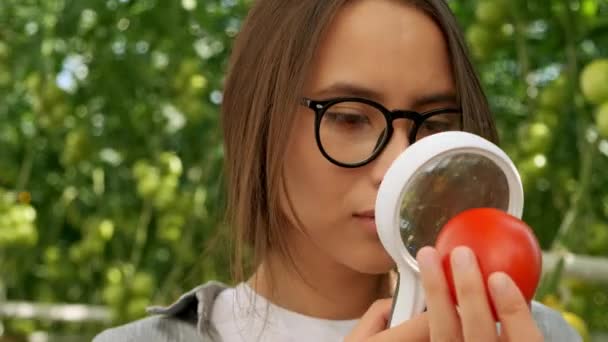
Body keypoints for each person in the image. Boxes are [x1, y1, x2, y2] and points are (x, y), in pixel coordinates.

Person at [94, 0, 581, 341]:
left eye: (433, 124)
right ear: (257, 119)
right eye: (349, 117)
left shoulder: (532, 334)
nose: (398, 166)